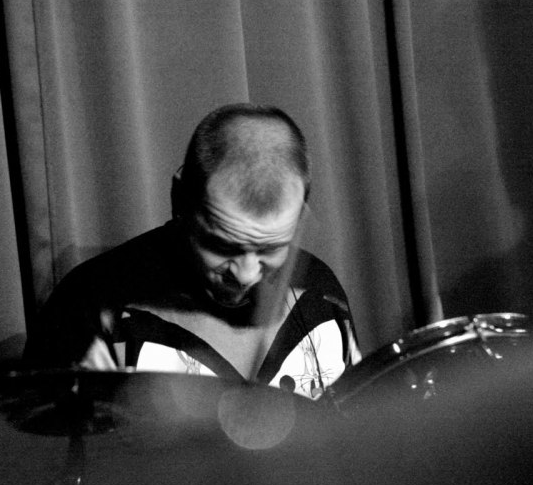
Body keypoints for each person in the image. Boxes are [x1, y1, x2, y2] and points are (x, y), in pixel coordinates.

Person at [23, 104, 360, 398]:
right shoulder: (90, 307)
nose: (245, 274)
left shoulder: (319, 292)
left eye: (270, 249)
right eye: (222, 246)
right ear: (179, 200)